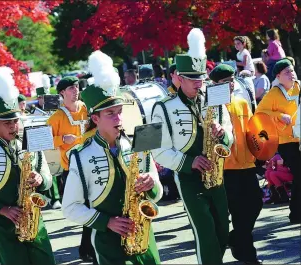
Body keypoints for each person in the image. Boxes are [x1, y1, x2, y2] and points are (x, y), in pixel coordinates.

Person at [62, 50, 162, 265]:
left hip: (144, 236)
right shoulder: (80, 156)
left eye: (119, 111)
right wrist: (107, 222)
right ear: (95, 118)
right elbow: (70, 207)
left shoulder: (139, 143)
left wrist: (152, 184)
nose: (118, 118)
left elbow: (158, 192)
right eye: (110, 114)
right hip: (107, 242)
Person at [151, 28, 233, 265]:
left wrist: (222, 134)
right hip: (189, 178)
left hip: (216, 173)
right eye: (194, 79)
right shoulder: (162, 108)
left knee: (222, 231)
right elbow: (158, 150)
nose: (200, 83)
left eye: (202, 78)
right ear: (180, 78)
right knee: (205, 232)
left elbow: (230, 130)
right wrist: (190, 162)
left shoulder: (213, 96)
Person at [0, 66, 55, 265]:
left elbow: (48, 177)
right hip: (2, 224)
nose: (14, 126)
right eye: (7, 123)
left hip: (34, 220)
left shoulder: (31, 140)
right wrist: (3, 209)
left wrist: (41, 178)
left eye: (15, 120)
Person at [209, 64, 263, 264]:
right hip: (227, 168)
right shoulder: (211, 107)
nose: (230, 84)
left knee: (255, 204)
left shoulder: (241, 102)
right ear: (214, 85)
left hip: (247, 164)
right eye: (225, 82)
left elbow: (251, 130)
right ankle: (248, 255)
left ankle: (236, 238)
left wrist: (262, 151)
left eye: (232, 80)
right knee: (238, 211)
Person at [256, 59, 300, 224]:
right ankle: (296, 213)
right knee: (298, 173)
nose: (292, 74)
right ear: (279, 76)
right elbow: (259, 113)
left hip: (299, 136)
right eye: (287, 72)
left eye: (292, 70)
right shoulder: (274, 93)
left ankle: (296, 212)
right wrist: (279, 116)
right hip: (285, 141)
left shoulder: (298, 86)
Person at [46, 76, 89, 209]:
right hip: (70, 168)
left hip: (91, 161)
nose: (76, 90)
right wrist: (62, 139)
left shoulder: (85, 108)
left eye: (77, 86)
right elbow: (44, 141)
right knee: (80, 204)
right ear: (62, 93)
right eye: (71, 88)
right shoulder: (56, 117)